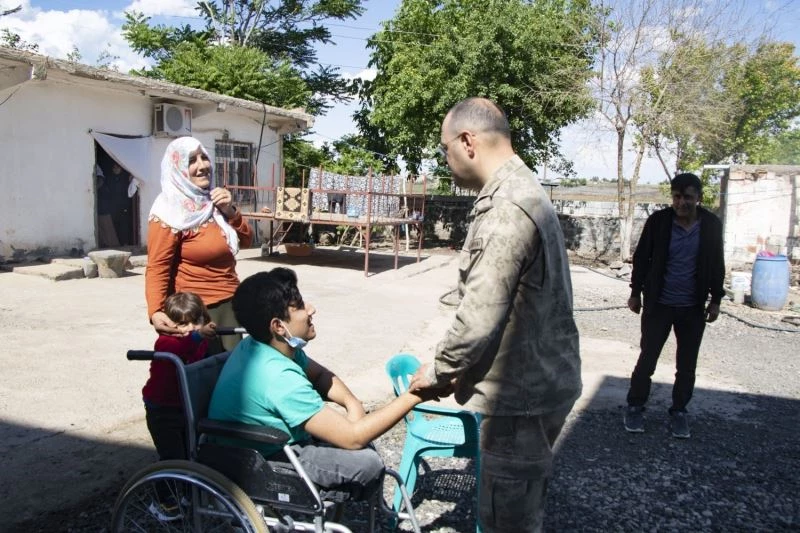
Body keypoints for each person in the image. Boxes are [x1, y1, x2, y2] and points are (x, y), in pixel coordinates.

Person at [408, 97, 582, 533]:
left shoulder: (506, 209)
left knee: (508, 520)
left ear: (468, 141)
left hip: (521, 395)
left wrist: (439, 370)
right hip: (542, 380)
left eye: (445, 149)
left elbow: (480, 317)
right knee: (520, 506)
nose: (445, 161)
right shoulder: (525, 189)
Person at [208, 268, 448, 499]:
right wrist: (415, 396)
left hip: (268, 443)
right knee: (368, 463)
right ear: (278, 326)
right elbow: (352, 437)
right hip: (263, 460)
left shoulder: (268, 346)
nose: (312, 309)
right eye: (300, 306)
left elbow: (320, 376)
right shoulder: (278, 377)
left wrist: (352, 403)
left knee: (363, 439)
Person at [623, 172, 724, 439]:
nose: (681, 203)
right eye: (677, 197)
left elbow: (716, 264)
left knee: (687, 363)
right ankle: (635, 406)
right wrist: (635, 293)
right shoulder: (659, 222)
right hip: (659, 305)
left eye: (687, 197)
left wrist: (716, 299)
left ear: (699, 198)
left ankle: (679, 411)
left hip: (692, 307)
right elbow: (642, 257)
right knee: (648, 358)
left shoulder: (711, 225)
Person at [145, 136, 252, 354]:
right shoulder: (168, 211)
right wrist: (155, 311)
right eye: (192, 160)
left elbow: (247, 240)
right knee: (202, 375)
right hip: (195, 312)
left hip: (230, 304)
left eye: (204, 158)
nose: (202, 166)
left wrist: (229, 210)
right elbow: (157, 267)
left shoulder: (212, 202)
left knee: (233, 376)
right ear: (178, 167)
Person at [141, 291, 216, 521]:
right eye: (183, 324)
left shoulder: (198, 340)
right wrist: (198, 336)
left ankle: (184, 493)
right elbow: (180, 350)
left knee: (188, 452)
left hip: (184, 408)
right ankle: (162, 503)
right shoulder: (166, 341)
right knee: (171, 457)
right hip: (161, 409)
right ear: (169, 324)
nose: (190, 328)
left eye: (196, 322)